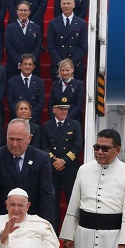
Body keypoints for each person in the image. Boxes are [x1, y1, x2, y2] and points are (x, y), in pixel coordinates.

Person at [0, 119, 55, 225]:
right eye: (11, 139)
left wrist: (47, 225)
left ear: (29, 138)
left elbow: (46, 194)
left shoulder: (41, 159)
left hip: (32, 220)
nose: (14, 144)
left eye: (19, 140)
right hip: (4, 220)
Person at [40, 97, 82, 226]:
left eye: (66, 109)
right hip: (52, 168)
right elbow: (44, 146)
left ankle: (72, 228)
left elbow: (77, 145)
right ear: (54, 110)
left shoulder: (75, 124)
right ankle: (53, 229)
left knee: (71, 200)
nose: (64, 111)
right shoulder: (47, 126)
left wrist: (64, 161)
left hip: (69, 168)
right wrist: (53, 160)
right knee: (53, 200)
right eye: (61, 109)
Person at [47, 0, 88, 80]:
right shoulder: (53, 23)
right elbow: (50, 46)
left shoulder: (82, 23)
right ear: (60, 4)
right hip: (58, 66)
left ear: (74, 4)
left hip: (75, 67)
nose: (66, 6)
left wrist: (70, 65)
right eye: (64, 3)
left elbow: (83, 46)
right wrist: (61, 64)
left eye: (68, 3)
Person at [4, 1, 43, 81]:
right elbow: (9, 47)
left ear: (29, 12)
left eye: (25, 10)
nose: (23, 12)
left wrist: (30, 63)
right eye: (21, 10)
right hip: (15, 67)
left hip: (32, 67)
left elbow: (38, 46)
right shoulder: (10, 28)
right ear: (17, 11)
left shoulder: (36, 27)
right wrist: (20, 63)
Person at [6, 54, 44, 124]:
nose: (27, 67)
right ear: (20, 66)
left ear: (34, 67)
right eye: (25, 64)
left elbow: (41, 102)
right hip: (16, 120)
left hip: (34, 120)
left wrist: (30, 115)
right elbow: (10, 101)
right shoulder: (12, 82)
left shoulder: (39, 82)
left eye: (30, 64)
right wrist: (20, 115)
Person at [47, 58, 84, 123]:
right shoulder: (55, 84)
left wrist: (66, 119)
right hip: (56, 120)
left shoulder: (79, 84)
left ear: (72, 70)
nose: (64, 73)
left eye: (67, 70)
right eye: (62, 70)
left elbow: (78, 105)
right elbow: (51, 104)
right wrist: (55, 118)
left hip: (72, 120)